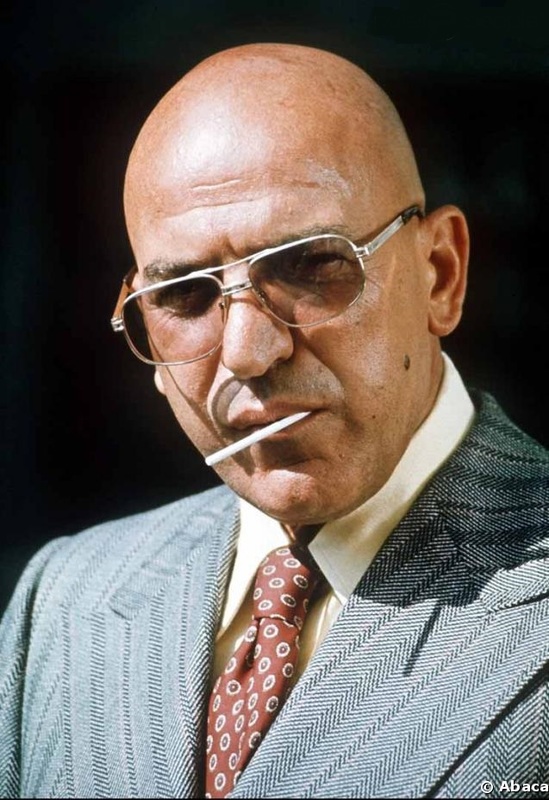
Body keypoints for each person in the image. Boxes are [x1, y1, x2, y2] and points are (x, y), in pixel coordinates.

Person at [1, 43, 548, 800]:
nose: (247, 351)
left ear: (439, 276)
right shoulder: (65, 600)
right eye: (184, 297)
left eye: (309, 266)